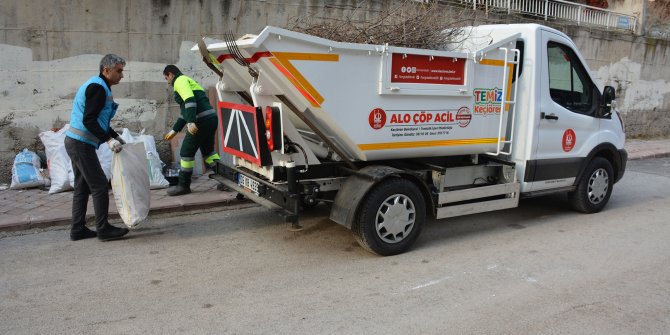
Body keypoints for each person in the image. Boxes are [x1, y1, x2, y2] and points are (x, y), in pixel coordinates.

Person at [64, 54, 130, 241]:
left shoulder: (100, 86)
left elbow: (99, 120)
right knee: (99, 184)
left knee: (82, 187)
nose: (122, 75)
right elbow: (89, 120)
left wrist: (116, 136)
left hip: (76, 142)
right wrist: (109, 140)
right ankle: (103, 228)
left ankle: (78, 229)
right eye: (119, 71)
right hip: (80, 144)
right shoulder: (98, 88)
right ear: (106, 70)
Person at [163, 65, 220, 196]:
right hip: (210, 118)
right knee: (209, 153)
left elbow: (190, 101)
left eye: (167, 78)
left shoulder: (179, 81)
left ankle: (183, 185)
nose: (168, 81)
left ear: (171, 74)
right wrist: (175, 130)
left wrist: (191, 122)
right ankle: (227, 180)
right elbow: (185, 112)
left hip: (201, 121)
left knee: (186, 151)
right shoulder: (189, 81)